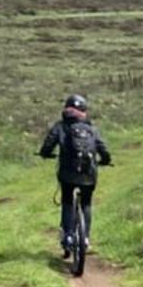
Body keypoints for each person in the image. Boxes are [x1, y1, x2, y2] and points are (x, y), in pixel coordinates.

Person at [39, 94, 112, 253]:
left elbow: (48, 143)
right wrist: (105, 160)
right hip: (89, 173)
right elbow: (103, 148)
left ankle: (69, 236)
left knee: (67, 201)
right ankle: (85, 238)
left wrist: (45, 154)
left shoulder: (60, 126)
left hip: (67, 172)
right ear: (83, 110)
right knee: (86, 203)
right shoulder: (91, 128)